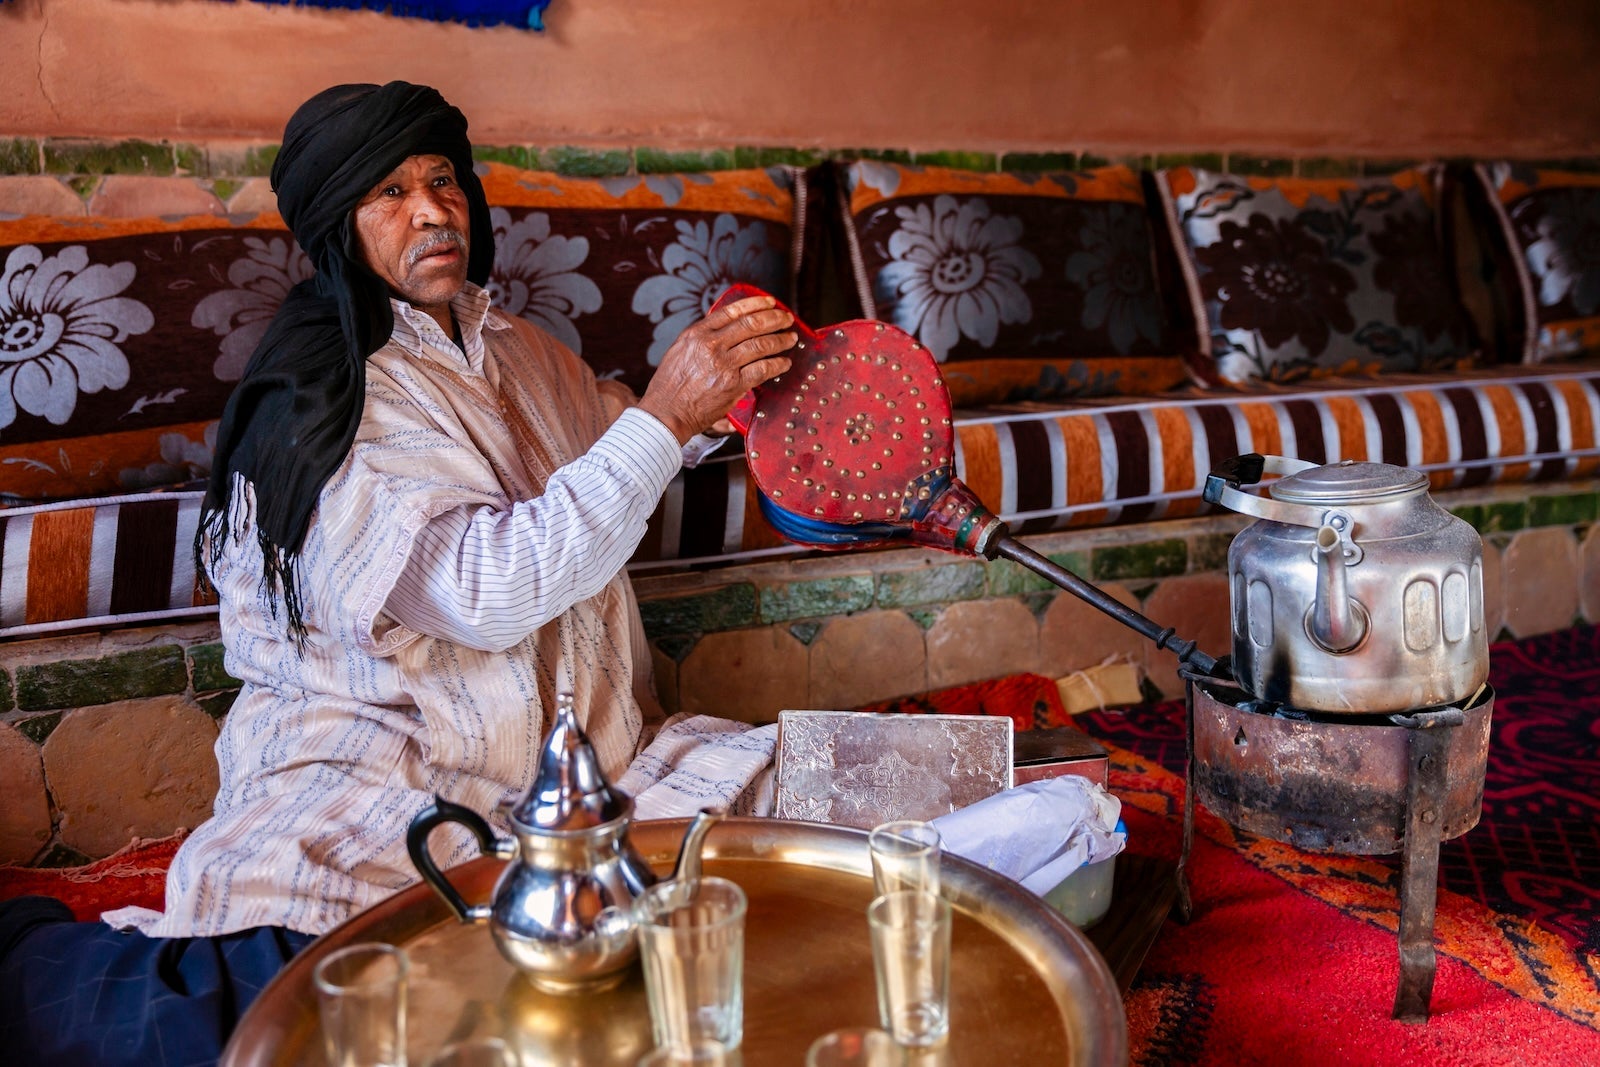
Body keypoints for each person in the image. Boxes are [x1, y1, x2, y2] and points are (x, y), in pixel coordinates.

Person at [0, 80, 794, 1066]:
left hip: (583, 761)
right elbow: (488, 591)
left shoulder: (514, 344)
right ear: (340, 223)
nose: (431, 210)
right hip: (388, 759)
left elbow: (607, 433)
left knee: (803, 867)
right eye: (389, 192)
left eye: (442, 180)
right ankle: (28, 958)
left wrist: (716, 406)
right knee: (287, 1009)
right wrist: (667, 414)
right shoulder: (323, 393)